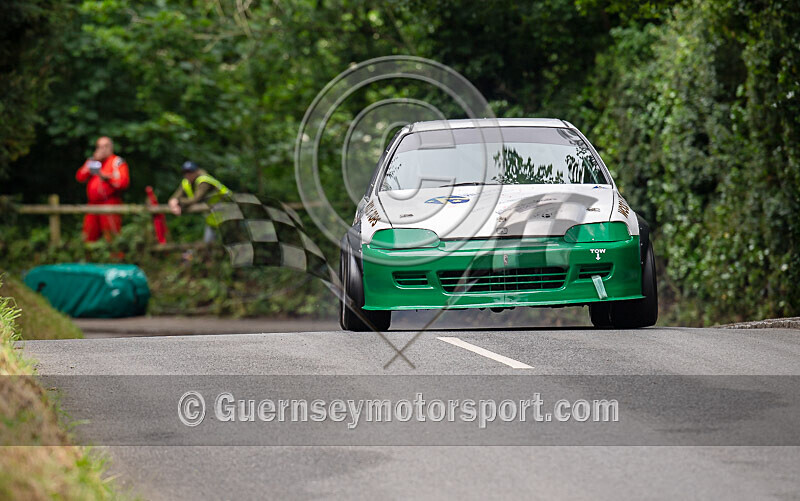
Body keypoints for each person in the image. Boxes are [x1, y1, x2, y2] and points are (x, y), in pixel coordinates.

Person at [75, 136, 130, 242]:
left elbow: (123, 182)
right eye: (100, 146)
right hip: (92, 205)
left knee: (112, 238)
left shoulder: (117, 161)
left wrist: (106, 177)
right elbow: (80, 177)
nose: (102, 149)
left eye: (105, 146)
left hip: (110, 203)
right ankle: (88, 258)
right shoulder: (93, 161)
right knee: (88, 237)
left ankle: (115, 258)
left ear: (111, 147)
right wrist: (91, 162)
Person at [168, 161, 230, 243]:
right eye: (185, 172)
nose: (187, 175)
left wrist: (179, 202)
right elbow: (175, 197)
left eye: (190, 172)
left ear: (196, 171)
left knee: (229, 236)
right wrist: (174, 203)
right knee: (211, 239)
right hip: (213, 213)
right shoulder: (186, 182)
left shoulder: (203, 181)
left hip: (227, 206)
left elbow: (196, 199)